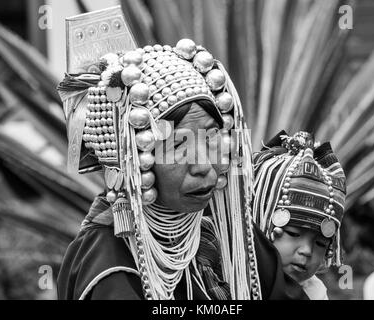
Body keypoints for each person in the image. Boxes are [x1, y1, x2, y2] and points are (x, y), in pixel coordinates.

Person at [55, 6, 261, 300]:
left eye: (212, 136)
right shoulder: (109, 265)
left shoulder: (229, 236)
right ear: (133, 161)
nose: (204, 166)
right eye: (177, 145)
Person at [252, 130, 347, 299]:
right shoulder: (230, 277)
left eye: (320, 243)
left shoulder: (315, 293)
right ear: (260, 224)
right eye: (293, 233)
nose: (307, 251)